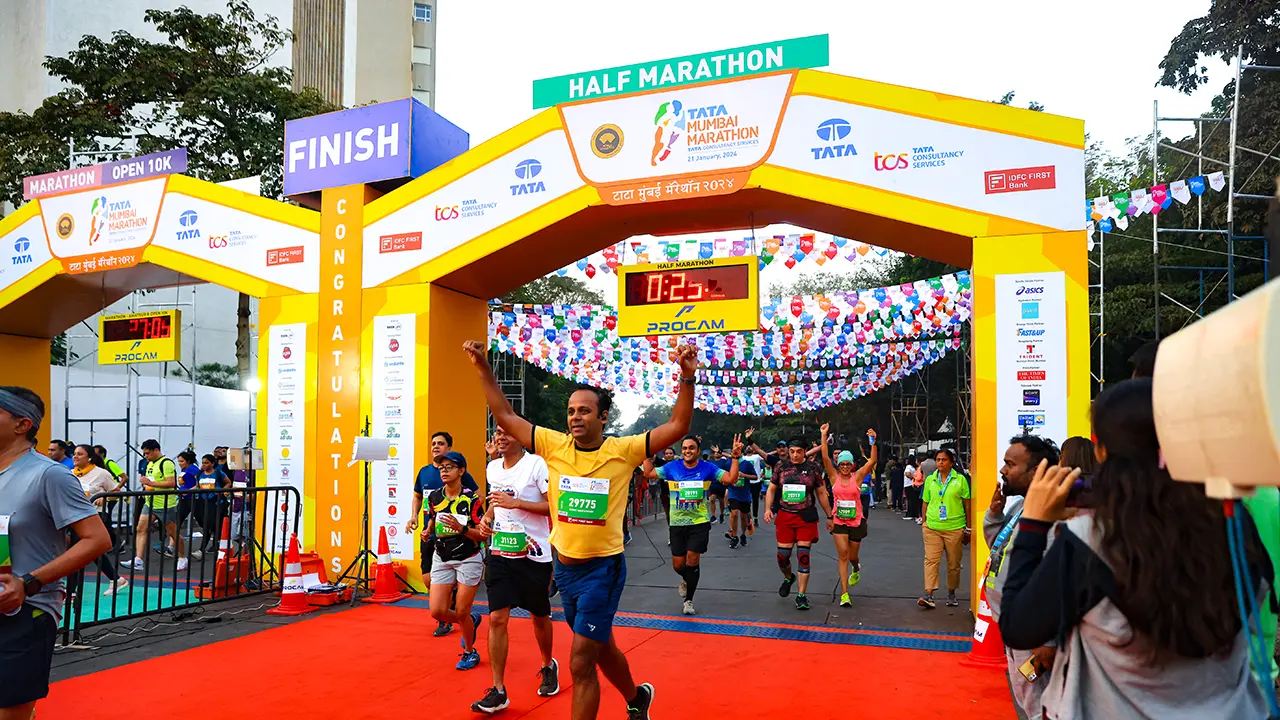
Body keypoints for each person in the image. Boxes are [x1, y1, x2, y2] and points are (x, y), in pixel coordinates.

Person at [999, 379, 1272, 719]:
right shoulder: (1235, 525)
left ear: (1102, 451)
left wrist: (1034, 525)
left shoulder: (1092, 540)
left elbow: (1017, 626)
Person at [464, 339, 698, 720]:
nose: (575, 417)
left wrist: (686, 378)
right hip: (565, 571)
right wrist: (483, 369)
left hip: (602, 571)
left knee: (580, 662)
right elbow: (505, 415)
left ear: (603, 417)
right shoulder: (552, 445)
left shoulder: (625, 450)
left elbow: (678, 425)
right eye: (571, 410)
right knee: (600, 645)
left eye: (585, 411)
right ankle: (638, 698)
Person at [0, 386, 111, 717]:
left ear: (22, 425)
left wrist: (29, 582)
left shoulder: (49, 475)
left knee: (11, 712)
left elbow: (97, 540)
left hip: (25, 610)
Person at [471, 427, 559, 713]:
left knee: (539, 616)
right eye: (498, 432)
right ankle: (498, 689)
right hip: (501, 551)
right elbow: (496, 504)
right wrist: (486, 518)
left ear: (520, 437)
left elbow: (554, 507)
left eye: (508, 432)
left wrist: (517, 502)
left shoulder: (536, 464)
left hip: (534, 554)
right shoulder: (492, 468)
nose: (501, 437)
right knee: (496, 617)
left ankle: (548, 664)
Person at [984, 434, 1060, 720]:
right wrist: (994, 515)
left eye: (1010, 464)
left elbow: (1056, 580)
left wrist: (1049, 640)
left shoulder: (1051, 515)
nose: (1003, 470)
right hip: (1013, 623)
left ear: (1036, 471)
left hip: (1034, 632)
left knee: (1040, 703)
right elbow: (999, 551)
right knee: (1026, 697)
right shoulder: (1019, 508)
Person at [642, 435, 741, 615]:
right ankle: (687, 579)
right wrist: (647, 452)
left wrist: (735, 457)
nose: (688, 451)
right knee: (679, 565)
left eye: (692, 448)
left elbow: (731, 479)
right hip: (677, 523)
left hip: (699, 522)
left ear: (697, 450)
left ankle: (689, 600)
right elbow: (649, 473)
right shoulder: (672, 467)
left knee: (692, 559)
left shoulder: (708, 468)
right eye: (685, 448)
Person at [408, 430, 478, 637]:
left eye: (440, 443)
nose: (435, 447)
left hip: (460, 541)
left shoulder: (461, 474)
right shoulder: (424, 472)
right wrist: (415, 517)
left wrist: (466, 524)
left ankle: (448, 621)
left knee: (445, 586)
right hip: (431, 535)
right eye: (433, 444)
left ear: (449, 448)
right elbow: (418, 497)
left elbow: (477, 497)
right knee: (428, 580)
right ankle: (460, 617)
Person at [423, 451, 485, 671]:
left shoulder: (472, 500)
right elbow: (432, 520)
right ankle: (470, 620)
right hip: (442, 556)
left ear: (461, 471)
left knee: (460, 610)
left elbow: (483, 534)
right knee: (437, 612)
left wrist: (462, 529)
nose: (444, 471)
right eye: (441, 468)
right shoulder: (434, 498)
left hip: (468, 558)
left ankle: (470, 651)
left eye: (449, 467)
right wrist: (427, 530)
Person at [762, 438, 834, 612]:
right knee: (782, 557)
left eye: (798, 451)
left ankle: (801, 595)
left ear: (805, 451)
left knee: (803, 556)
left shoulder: (813, 469)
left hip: (805, 517)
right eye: (792, 451)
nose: (794, 455)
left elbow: (821, 492)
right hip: (785, 517)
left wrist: (829, 515)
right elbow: (771, 489)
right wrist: (767, 509)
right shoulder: (780, 467)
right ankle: (789, 578)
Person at [819, 425, 876, 608]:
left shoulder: (857, 477)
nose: (844, 467)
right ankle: (844, 593)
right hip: (839, 521)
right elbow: (825, 457)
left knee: (852, 556)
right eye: (842, 464)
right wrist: (823, 435)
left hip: (857, 521)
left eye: (847, 464)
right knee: (842, 555)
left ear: (852, 465)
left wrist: (872, 441)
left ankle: (856, 567)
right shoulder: (833, 477)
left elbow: (873, 460)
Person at [70, 444, 129, 596]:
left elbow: (116, 493)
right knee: (92, 553)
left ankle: (71, 592)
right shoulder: (70, 474)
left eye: (79, 454)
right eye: (74, 453)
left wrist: (104, 498)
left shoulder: (102, 473)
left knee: (77, 552)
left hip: (94, 517)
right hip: (75, 518)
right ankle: (116, 579)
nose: (75, 456)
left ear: (89, 457)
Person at [918, 448, 970, 609]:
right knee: (931, 560)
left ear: (951, 462)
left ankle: (951, 592)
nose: (940, 462)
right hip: (932, 526)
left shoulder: (960, 480)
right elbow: (925, 502)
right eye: (938, 460)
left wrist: (968, 528)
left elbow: (967, 505)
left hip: (954, 527)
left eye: (944, 460)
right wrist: (925, 522)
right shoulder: (930, 480)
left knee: (953, 563)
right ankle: (928, 594)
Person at [123, 439, 185, 572]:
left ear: (156, 450)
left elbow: (171, 483)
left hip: (165, 504)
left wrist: (150, 484)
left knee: (172, 533)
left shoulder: (166, 463)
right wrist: (147, 485)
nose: (146, 456)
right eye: (144, 454)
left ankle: (182, 557)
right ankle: (138, 560)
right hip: (150, 502)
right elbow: (152, 481)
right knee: (141, 528)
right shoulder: (150, 464)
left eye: (148, 453)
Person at [193, 454, 229, 557]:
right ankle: (216, 545)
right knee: (207, 524)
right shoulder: (200, 474)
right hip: (204, 502)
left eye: (206, 463)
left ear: (212, 463)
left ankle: (201, 550)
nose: (204, 465)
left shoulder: (218, 473)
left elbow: (228, 483)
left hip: (216, 502)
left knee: (209, 525)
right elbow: (197, 486)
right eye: (203, 463)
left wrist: (222, 491)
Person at [173, 450, 202, 559]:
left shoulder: (193, 469)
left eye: (182, 461)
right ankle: (171, 547)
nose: (179, 463)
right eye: (179, 461)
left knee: (200, 520)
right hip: (184, 498)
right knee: (177, 520)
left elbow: (199, 483)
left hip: (193, 498)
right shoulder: (184, 469)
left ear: (188, 461)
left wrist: (190, 490)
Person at [726, 449, 756, 548]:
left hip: (744, 494)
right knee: (734, 514)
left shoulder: (747, 464)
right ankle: (734, 537)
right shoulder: (729, 463)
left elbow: (755, 477)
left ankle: (743, 535)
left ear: (741, 454)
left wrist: (744, 475)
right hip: (733, 492)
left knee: (744, 516)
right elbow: (723, 475)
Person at [707, 444, 730, 524]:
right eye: (715, 453)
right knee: (712, 499)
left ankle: (721, 514)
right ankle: (713, 515)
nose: (716, 454)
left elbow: (728, 471)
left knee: (721, 500)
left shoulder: (724, 462)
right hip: (713, 484)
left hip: (721, 484)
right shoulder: (711, 462)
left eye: (717, 452)